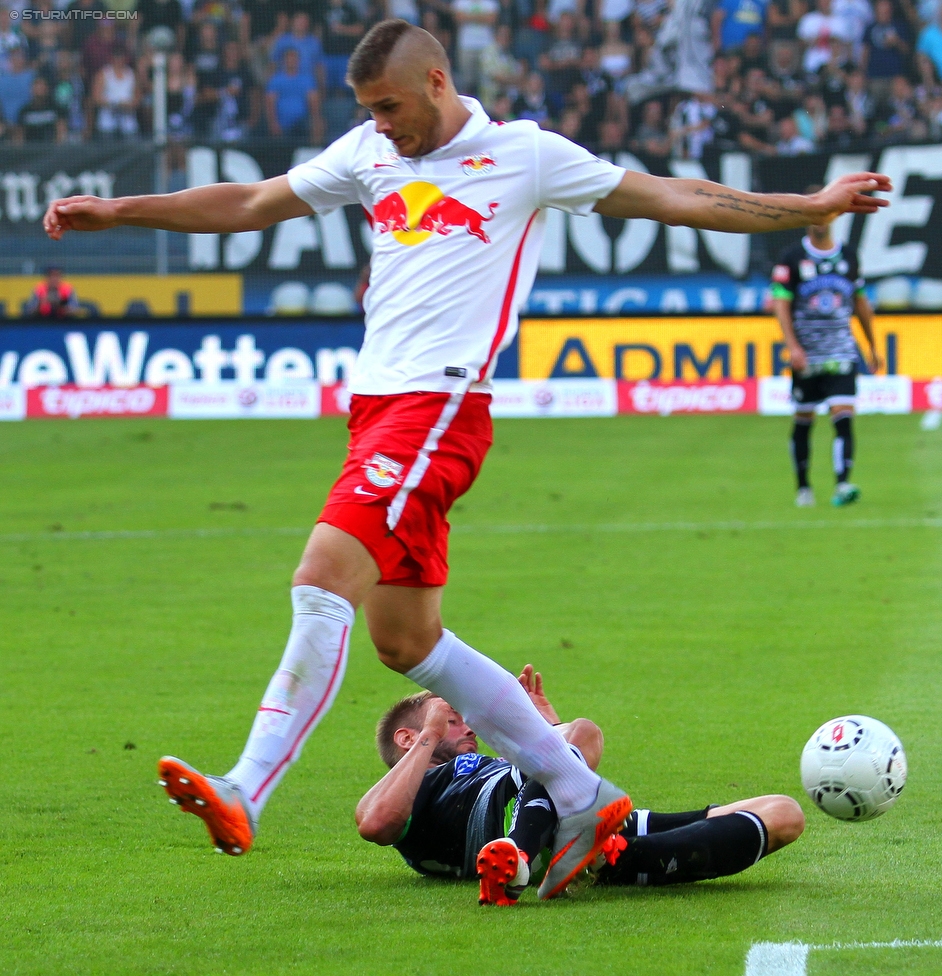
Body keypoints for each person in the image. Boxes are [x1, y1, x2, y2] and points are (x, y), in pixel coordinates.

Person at [43, 19, 889, 901]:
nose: (381, 125)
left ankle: (245, 788)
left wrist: (812, 208)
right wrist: (119, 209)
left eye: (391, 107)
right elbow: (254, 203)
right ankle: (578, 794)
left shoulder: (523, 156)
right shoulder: (369, 152)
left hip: (438, 406)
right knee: (405, 641)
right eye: (367, 110)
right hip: (376, 413)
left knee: (322, 577)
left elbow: (672, 196)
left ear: (438, 82)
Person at [356, 667, 805, 903]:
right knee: (583, 732)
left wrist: (540, 726)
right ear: (407, 738)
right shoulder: (420, 785)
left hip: (576, 821)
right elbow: (377, 824)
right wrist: (433, 736)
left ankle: (593, 859)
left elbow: (553, 776)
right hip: (506, 818)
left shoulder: (485, 763)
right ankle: (523, 853)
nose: (468, 727)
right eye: (453, 720)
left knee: (785, 814)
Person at [770, 190, 881, 508]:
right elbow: (781, 303)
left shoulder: (849, 256)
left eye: (825, 211)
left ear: (835, 215)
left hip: (843, 351)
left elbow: (860, 303)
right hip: (807, 354)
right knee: (804, 419)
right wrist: (792, 346)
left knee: (844, 416)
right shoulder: (791, 257)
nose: (819, 217)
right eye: (813, 211)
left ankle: (842, 485)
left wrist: (872, 345)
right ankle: (803, 487)